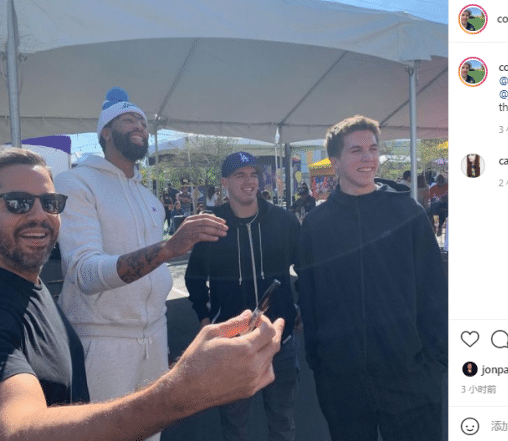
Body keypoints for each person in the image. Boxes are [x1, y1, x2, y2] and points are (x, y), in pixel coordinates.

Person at [0, 147, 284, 441]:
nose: (39, 215)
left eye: (50, 202)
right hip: (109, 347)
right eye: (18, 203)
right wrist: (181, 390)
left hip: (151, 339)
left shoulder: (31, 288)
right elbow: (17, 431)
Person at [54, 87, 230, 441]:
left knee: (152, 434)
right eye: (128, 119)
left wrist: (156, 330)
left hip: (153, 336)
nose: (140, 126)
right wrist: (169, 248)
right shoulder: (75, 182)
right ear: (105, 132)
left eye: (143, 122)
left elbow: (154, 276)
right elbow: (85, 273)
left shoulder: (149, 198)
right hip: (101, 343)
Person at [297, 115, 447, 441]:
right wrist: (320, 363)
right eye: (356, 151)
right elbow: (309, 297)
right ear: (335, 162)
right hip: (342, 381)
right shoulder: (316, 225)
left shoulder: (408, 214)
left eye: (373, 149)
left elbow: (434, 291)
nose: (368, 158)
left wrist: (435, 363)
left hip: (410, 375)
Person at [186, 151, 300, 441]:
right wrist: (204, 317)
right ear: (224, 182)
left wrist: (299, 309)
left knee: (283, 422)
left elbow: (307, 267)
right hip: (232, 343)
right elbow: (194, 277)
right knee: (234, 425)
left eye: (253, 175)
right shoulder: (212, 226)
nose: (249, 181)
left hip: (279, 340)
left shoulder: (284, 221)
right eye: (240, 175)